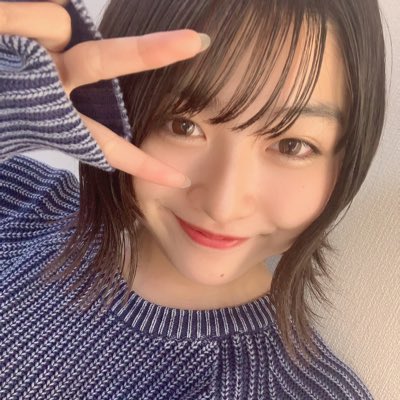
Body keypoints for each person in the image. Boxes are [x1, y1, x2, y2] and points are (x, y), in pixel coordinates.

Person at [0, 0, 385, 398]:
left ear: (347, 158)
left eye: (292, 146)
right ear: (121, 104)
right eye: (183, 125)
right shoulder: (19, 196)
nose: (223, 205)